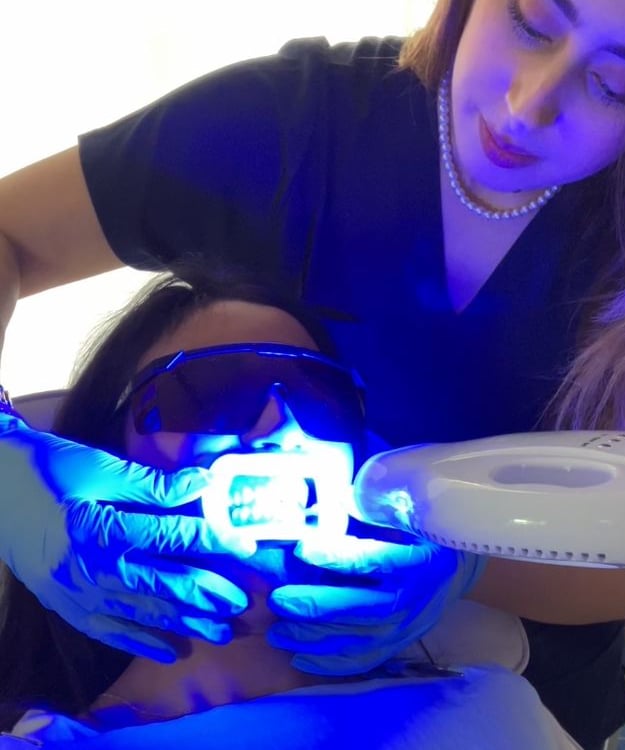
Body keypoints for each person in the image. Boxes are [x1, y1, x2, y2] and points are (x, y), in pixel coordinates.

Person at [1, 0, 625, 746]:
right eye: (531, 23)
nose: (527, 106)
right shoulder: (296, 127)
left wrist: (465, 567)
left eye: (616, 85)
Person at [0, 272, 575, 749]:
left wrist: (470, 558)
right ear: (105, 452)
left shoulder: (495, 705)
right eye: (215, 391)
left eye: (320, 400)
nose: (282, 430)